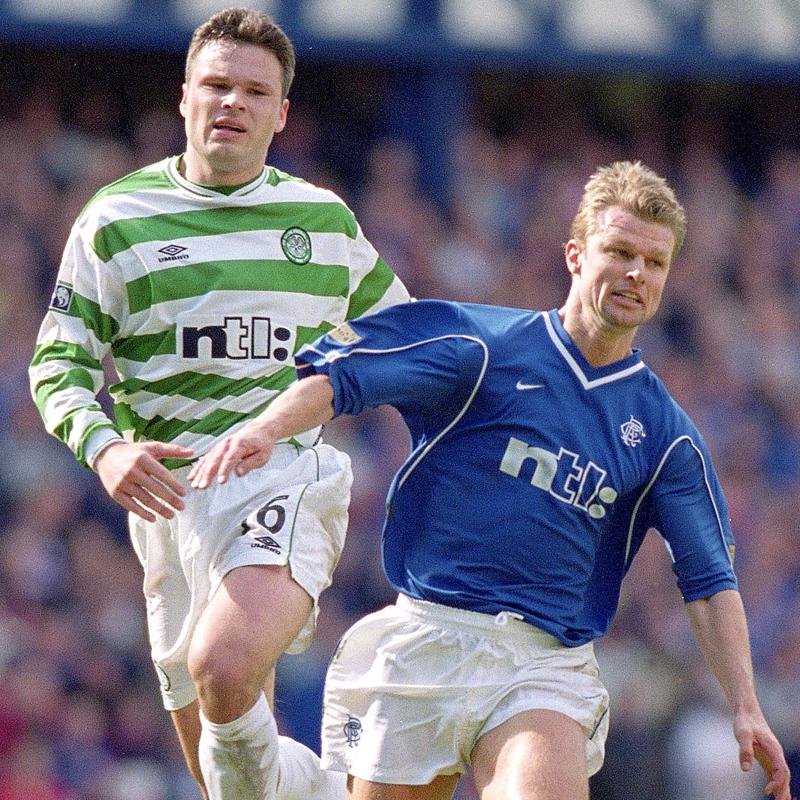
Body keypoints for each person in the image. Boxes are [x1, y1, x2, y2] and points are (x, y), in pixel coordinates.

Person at [188, 160, 792, 800]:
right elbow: (342, 376)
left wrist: (746, 705)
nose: (636, 273)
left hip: (542, 665)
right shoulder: (482, 345)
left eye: (655, 262)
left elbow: (709, 582)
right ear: (575, 255)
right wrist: (266, 429)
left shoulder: (666, 435)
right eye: (619, 252)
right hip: (426, 636)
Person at [28, 7, 409, 800]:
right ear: (185, 98)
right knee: (227, 776)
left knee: (224, 664)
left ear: (282, 114)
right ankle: (326, 788)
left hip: (282, 477)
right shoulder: (116, 222)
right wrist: (106, 447)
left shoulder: (320, 222)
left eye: (254, 92)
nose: (232, 102)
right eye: (216, 85)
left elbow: (406, 340)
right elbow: (58, 362)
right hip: (169, 507)